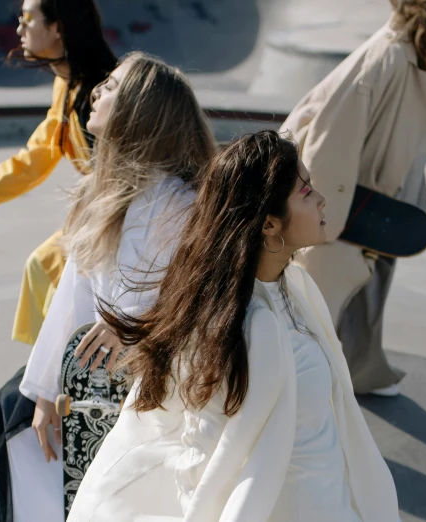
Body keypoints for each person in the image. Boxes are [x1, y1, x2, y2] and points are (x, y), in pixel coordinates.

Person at [66, 130, 399, 522]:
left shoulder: (297, 289)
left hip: (331, 501)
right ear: (269, 224)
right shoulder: (243, 325)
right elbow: (206, 456)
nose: (322, 198)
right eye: (305, 192)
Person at [16, 52, 217, 521]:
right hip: (102, 391)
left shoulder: (183, 205)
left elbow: (201, 300)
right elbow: (74, 294)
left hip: (161, 396)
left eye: (112, 86)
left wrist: (136, 325)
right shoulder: (103, 197)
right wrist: (47, 389)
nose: (98, 90)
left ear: (140, 112)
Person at [280, 0, 426, 396]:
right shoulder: (389, 55)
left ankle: (358, 371)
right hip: (347, 204)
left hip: (369, 203)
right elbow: (330, 140)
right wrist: (321, 220)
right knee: (319, 307)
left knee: (355, 297)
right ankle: (303, 399)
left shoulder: (407, 53)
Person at [0, 0, 117, 347]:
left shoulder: (102, 93)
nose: (18, 30)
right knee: (41, 267)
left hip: (121, 221)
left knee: (49, 272)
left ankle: (60, 380)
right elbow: (36, 157)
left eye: (27, 20)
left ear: (58, 27)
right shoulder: (67, 84)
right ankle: (46, 374)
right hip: (97, 215)